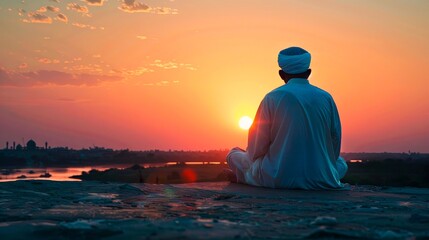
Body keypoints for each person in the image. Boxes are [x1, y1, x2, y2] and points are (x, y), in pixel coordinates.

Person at [226, 46, 348, 190]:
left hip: (279, 178)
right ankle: (320, 175)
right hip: (322, 179)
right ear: (309, 73)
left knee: (233, 154)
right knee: (341, 163)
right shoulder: (326, 98)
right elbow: (335, 144)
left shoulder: (272, 98)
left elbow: (256, 149)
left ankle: (244, 177)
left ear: (281, 74)